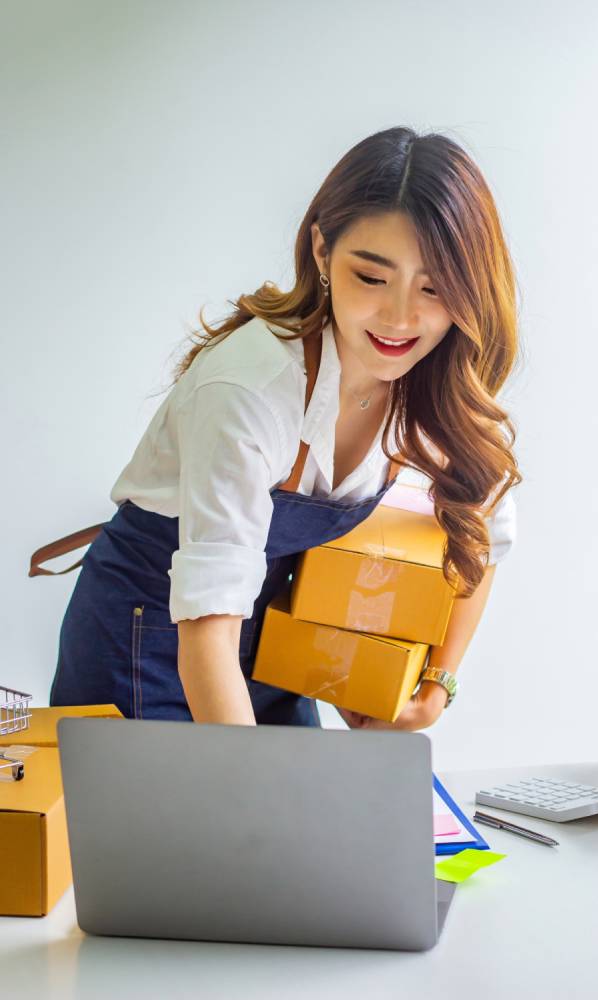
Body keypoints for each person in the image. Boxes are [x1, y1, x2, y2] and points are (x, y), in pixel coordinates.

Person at [47, 126, 522, 731]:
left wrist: (435, 687)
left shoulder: (432, 384)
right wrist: (251, 785)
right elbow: (208, 635)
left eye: (434, 288)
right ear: (322, 251)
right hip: (148, 637)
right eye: (371, 278)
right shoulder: (249, 390)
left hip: (268, 646)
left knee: (294, 790)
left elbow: (485, 537)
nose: (400, 317)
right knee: (213, 795)